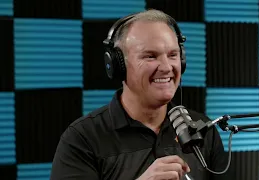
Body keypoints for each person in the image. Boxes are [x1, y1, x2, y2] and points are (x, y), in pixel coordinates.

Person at [50, 9, 227, 180]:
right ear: (118, 65)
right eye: (150, 56)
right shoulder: (82, 139)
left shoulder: (203, 131)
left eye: (173, 55)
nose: (166, 67)